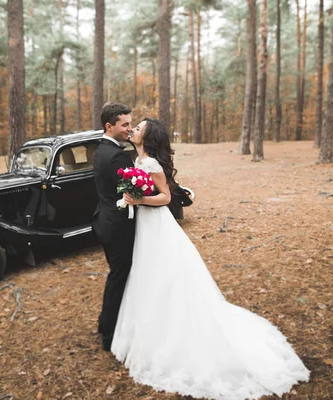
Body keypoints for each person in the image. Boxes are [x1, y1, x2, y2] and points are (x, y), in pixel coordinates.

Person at [112, 118, 310, 400]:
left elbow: (166, 197)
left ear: (148, 136)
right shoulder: (138, 157)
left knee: (165, 275)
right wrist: (131, 194)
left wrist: (139, 199)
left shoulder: (152, 163)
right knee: (147, 275)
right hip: (145, 227)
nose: (133, 129)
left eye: (139, 127)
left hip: (157, 226)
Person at [92, 102, 135, 352]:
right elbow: (135, 190)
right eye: (125, 124)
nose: (129, 128)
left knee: (117, 275)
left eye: (131, 123)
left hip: (106, 220)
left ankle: (106, 324)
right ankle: (109, 334)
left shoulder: (101, 150)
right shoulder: (117, 155)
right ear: (109, 126)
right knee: (118, 277)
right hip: (118, 226)